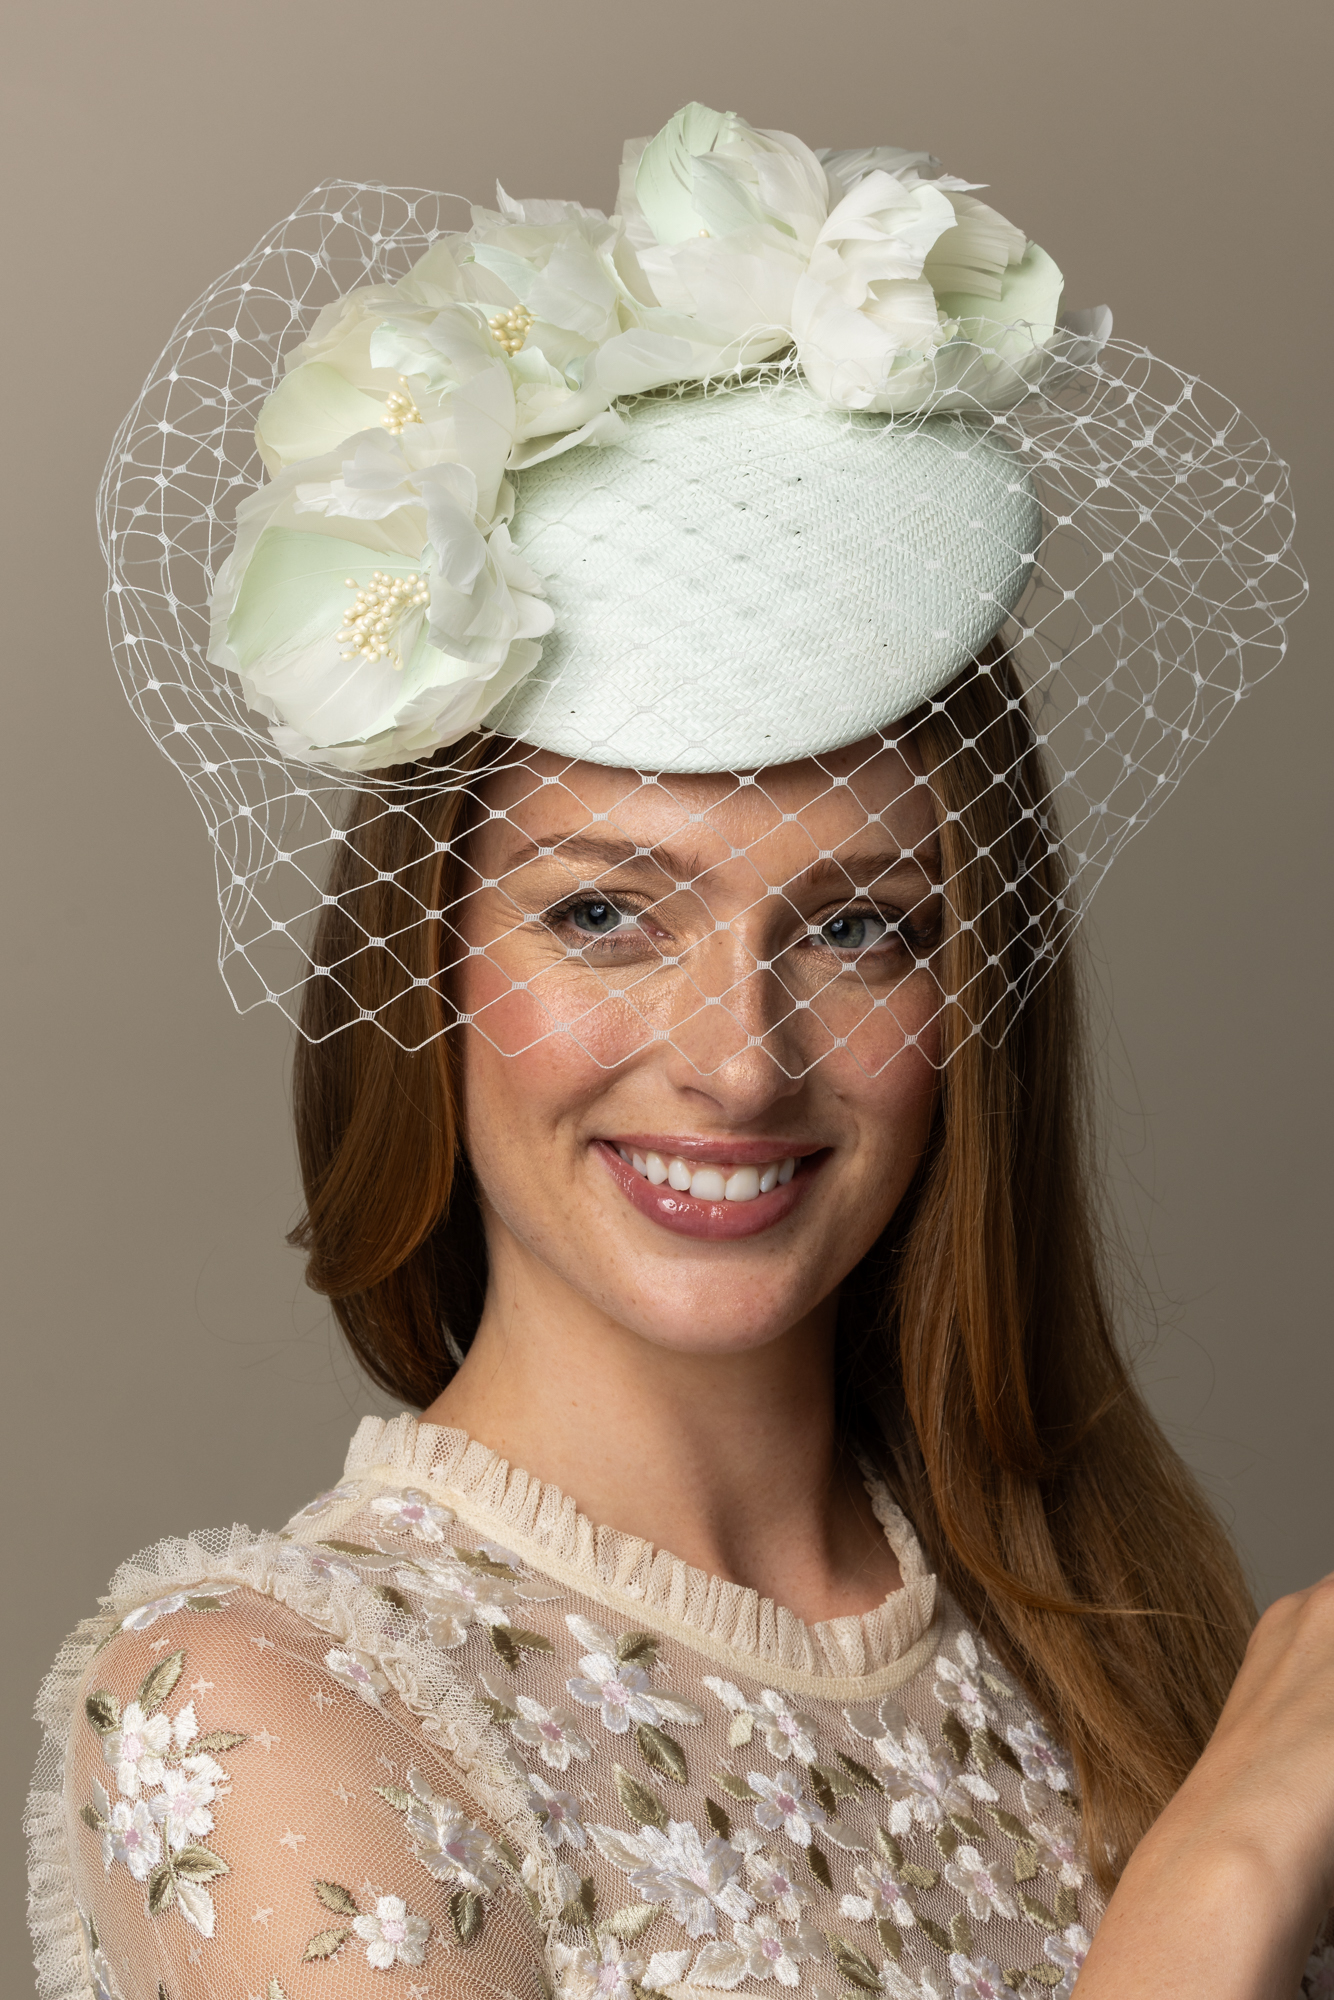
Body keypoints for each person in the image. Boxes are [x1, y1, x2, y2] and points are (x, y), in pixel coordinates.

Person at [27, 105, 1327, 2000]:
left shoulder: (1118, 1642)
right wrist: (1210, 1897)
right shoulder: (258, 1710)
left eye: (864, 928)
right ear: (424, 958)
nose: (738, 1063)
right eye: (602, 915)